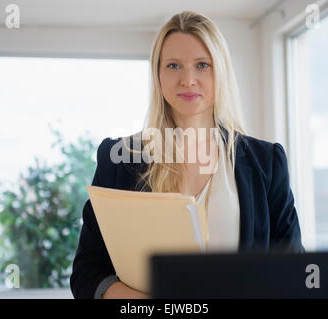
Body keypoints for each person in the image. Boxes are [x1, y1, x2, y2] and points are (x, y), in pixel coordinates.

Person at [70, 10, 305, 299]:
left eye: (202, 65)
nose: (188, 79)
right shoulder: (120, 158)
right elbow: (87, 272)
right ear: (157, 74)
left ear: (221, 71)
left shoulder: (267, 162)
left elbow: (293, 269)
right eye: (173, 66)